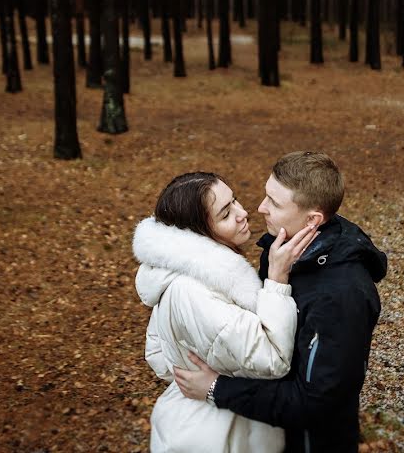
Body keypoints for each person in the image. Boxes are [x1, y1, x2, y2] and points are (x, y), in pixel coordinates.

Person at [173, 152, 388, 453]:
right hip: (268, 434)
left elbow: (315, 403)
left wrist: (216, 388)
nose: (260, 207)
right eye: (266, 195)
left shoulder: (343, 296)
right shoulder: (280, 252)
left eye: (274, 202)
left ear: (313, 219)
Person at [134, 171, 320, 452]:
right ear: (199, 233)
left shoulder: (176, 274)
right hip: (213, 437)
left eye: (234, 201)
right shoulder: (193, 292)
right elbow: (275, 358)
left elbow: (158, 354)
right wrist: (277, 280)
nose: (243, 213)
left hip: (196, 422)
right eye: (225, 214)